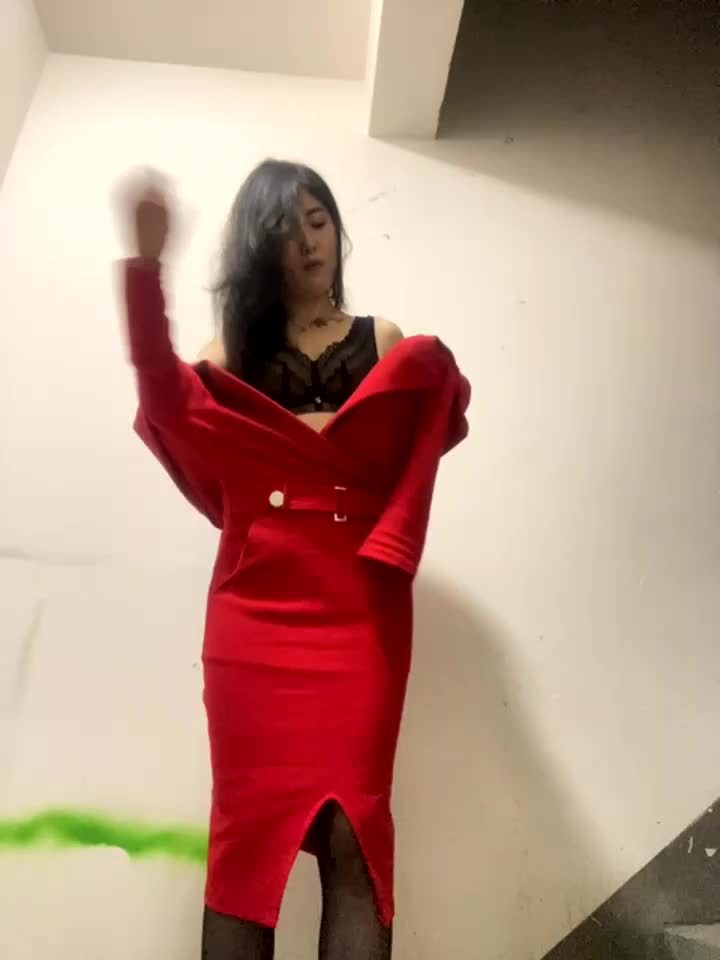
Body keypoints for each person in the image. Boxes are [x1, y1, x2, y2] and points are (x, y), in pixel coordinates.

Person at [120, 159, 470, 960]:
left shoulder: (383, 340)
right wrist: (144, 270)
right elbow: (161, 394)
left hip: (361, 613)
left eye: (320, 221)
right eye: (287, 228)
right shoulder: (227, 354)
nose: (310, 242)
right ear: (258, 247)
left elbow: (414, 449)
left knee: (354, 834)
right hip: (254, 621)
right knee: (247, 843)